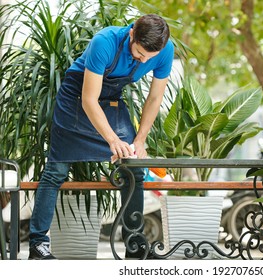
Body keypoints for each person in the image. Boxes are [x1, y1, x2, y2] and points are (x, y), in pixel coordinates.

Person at [28, 14, 174, 260]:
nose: (143, 60)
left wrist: (139, 140)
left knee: (134, 170)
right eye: (140, 54)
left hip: (112, 102)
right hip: (77, 100)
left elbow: (154, 98)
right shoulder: (104, 41)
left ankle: (134, 245)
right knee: (56, 172)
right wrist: (113, 140)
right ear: (131, 34)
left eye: (149, 58)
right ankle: (37, 244)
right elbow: (88, 99)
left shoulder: (164, 50)